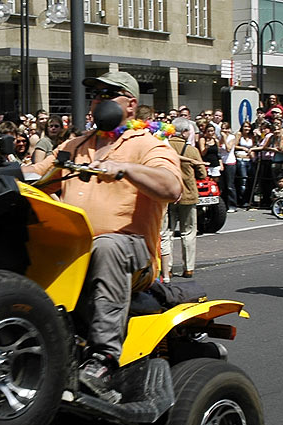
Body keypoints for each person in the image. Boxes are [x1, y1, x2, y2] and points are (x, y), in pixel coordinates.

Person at [23, 72, 183, 403]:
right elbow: (36, 178)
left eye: (108, 93)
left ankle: (104, 361)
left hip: (131, 255)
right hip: (73, 253)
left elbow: (171, 187)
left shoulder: (149, 144)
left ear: (131, 104)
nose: (98, 99)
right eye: (95, 93)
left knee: (107, 245)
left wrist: (127, 169)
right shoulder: (75, 146)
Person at [165, 119, 207, 280]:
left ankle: (167, 267)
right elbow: (202, 173)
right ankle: (188, 268)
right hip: (188, 194)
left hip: (168, 195)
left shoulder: (164, 147)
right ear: (184, 132)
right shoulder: (191, 150)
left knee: (167, 232)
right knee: (188, 232)